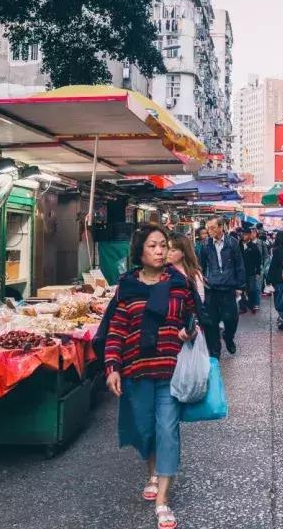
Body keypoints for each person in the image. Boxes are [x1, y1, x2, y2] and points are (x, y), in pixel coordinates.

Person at [101, 224, 199, 529]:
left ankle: (163, 501)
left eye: (163, 245)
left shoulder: (179, 283)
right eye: (153, 246)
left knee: (167, 430)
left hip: (170, 370)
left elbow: (194, 316)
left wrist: (189, 330)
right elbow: (117, 329)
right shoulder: (126, 286)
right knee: (145, 430)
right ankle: (153, 473)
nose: (160, 251)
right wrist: (112, 366)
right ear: (139, 252)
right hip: (136, 370)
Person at [196, 217, 245, 357]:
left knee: (231, 319)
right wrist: (202, 279)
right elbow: (201, 264)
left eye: (212, 228)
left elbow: (239, 265)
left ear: (220, 227)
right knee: (211, 321)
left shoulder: (233, 243)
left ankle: (228, 338)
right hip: (211, 288)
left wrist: (240, 286)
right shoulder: (205, 245)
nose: (209, 231)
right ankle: (214, 351)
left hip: (229, 287)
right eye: (208, 228)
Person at [168, 234, 205, 302]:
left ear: (183, 253)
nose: (168, 253)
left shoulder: (193, 274)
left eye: (173, 250)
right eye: (167, 249)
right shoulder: (162, 271)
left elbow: (200, 299)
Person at [239, 227, 263, 315]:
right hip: (240, 272)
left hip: (251, 272)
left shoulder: (253, 246)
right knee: (241, 289)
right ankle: (243, 307)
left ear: (249, 235)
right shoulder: (239, 245)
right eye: (242, 234)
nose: (243, 236)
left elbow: (258, 259)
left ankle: (252, 305)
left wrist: (258, 271)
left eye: (245, 234)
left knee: (252, 290)